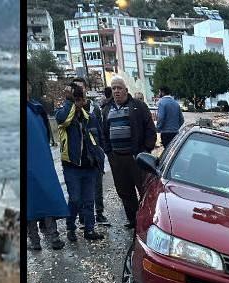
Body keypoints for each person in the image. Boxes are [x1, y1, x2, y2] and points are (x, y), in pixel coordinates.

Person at [102, 76, 157, 228]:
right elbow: (104, 134)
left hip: (136, 158)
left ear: (126, 90)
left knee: (144, 189)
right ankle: (133, 220)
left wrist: (145, 151)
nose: (116, 91)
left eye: (119, 88)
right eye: (114, 88)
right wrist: (109, 153)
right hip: (117, 158)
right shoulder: (106, 109)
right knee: (124, 192)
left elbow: (150, 129)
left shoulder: (138, 106)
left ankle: (147, 219)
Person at [55, 82, 105, 241]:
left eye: (80, 98)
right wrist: (70, 102)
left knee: (89, 201)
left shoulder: (89, 117)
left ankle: (89, 230)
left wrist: (100, 157)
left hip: (89, 166)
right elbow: (64, 118)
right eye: (75, 98)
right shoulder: (62, 115)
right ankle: (70, 227)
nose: (78, 101)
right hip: (72, 166)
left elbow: (99, 138)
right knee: (75, 199)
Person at [26, 87, 67, 251]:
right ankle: (35, 240)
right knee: (32, 200)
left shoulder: (36, 109)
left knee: (44, 197)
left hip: (41, 159)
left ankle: (52, 237)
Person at [70, 77, 110, 226]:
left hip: (94, 154)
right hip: (79, 156)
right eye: (76, 88)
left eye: (81, 87)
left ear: (86, 88)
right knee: (81, 188)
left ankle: (99, 212)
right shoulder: (70, 109)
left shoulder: (95, 108)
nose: (80, 90)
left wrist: (102, 150)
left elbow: (101, 129)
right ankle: (84, 216)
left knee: (97, 185)